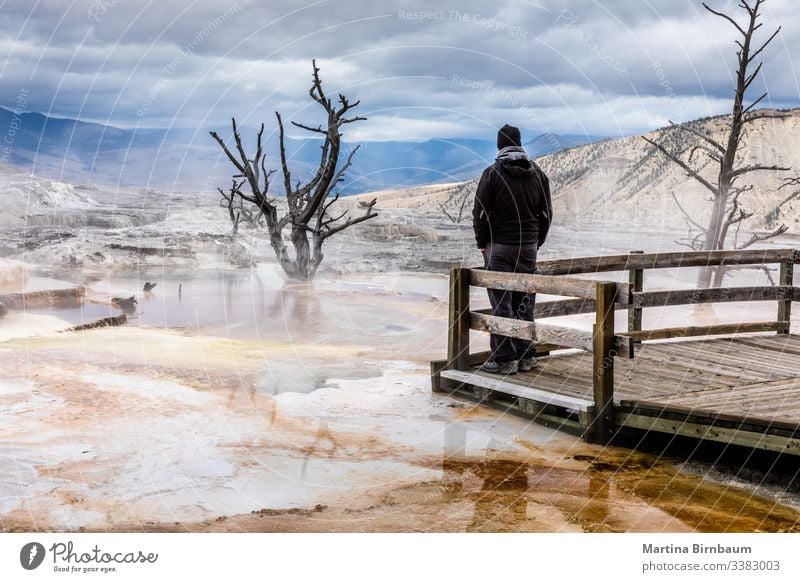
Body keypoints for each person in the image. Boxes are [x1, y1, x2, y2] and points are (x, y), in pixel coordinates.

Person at [472, 124, 552, 375]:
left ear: (499, 146)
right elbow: (546, 213)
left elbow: (480, 213)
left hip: (499, 247)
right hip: (528, 247)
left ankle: (505, 359)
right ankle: (526, 355)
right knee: (524, 301)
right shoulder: (538, 174)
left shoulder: (492, 173)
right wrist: (536, 241)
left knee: (501, 302)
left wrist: (482, 244)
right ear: (519, 143)